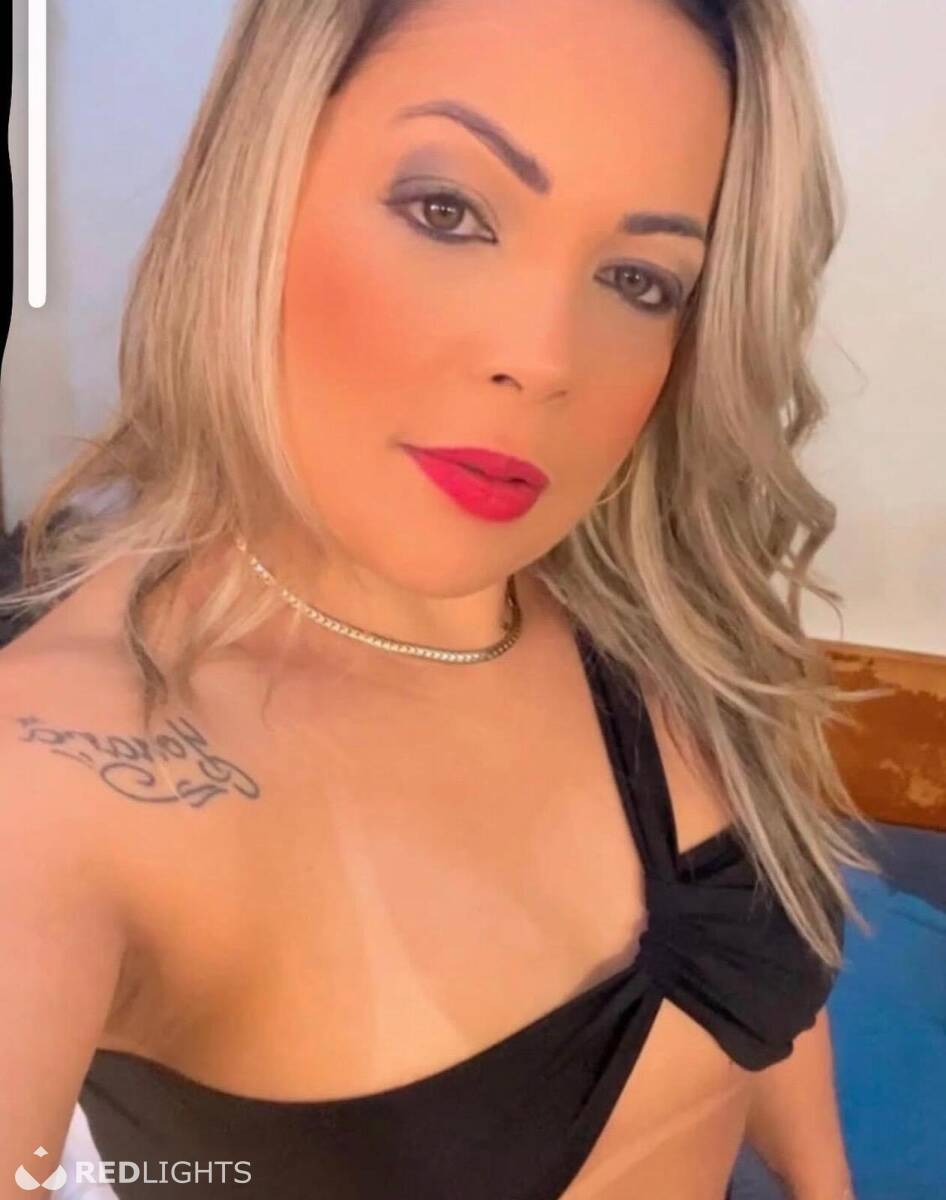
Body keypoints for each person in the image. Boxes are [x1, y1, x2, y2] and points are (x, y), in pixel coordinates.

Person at [0, 0, 877, 1196]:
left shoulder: (659, 620)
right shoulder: (61, 780)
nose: (544, 358)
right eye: (447, 211)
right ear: (255, 188)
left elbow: (755, 1002)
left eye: (638, 278)